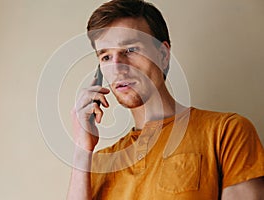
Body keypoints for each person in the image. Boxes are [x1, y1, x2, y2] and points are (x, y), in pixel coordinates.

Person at [67, 0, 264, 199]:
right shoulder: (99, 164)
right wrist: (82, 149)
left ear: (163, 55)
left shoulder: (226, 132)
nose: (117, 67)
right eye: (106, 57)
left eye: (130, 50)